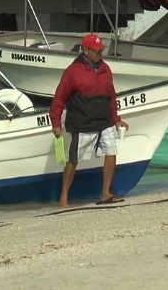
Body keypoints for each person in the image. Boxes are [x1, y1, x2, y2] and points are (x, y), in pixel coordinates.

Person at [49, 34, 130, 207]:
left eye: (102, 50)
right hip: (82, 122)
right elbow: (58, 98)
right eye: (97, 51)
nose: (100, 53)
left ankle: (106, 193)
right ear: (85, 50)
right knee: (73, 160)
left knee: (111, 152)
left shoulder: (105, 69)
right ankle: (64, 198)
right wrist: (55, 123)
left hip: (104, 121)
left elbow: (111, 96)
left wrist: (116, 119)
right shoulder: (73, 71)